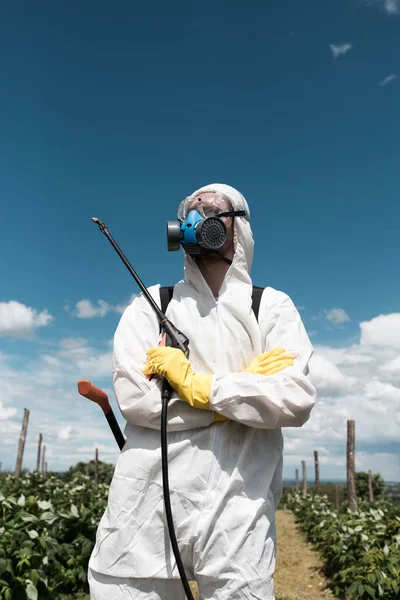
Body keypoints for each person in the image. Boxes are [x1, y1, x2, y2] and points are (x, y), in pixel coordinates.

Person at [88, 183, 316, 600]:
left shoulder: (271, 307)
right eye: (189, 210)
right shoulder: (151, 304)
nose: (196, 216)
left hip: (238, 519)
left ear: (237, 229)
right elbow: (137, 401)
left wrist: (197, 385)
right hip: (145, 515)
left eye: (210, 209)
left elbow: (294, 398)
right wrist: (239, 396)